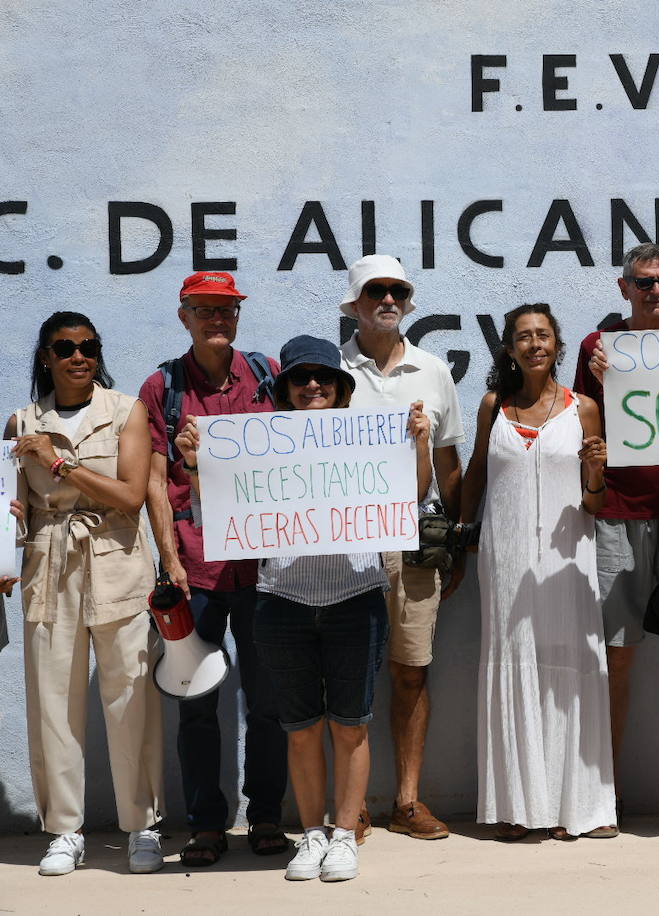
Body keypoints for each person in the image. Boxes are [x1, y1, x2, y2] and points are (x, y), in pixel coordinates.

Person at [175, 335, 426, 881]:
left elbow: (410, 497)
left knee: (350, 725)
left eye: (324, 377)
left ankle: (343, 835)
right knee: (301, 727)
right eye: (300, 377)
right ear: (284, 389)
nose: (313, 384)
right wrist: (197, 466)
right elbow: (215, 512)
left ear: (340, 388)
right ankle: (311, 834)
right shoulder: (258, 441)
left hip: (355, 597)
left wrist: (419, 446)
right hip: (282, 602)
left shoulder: (369, 438)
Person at [4, 311, 164, 875]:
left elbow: (130, 496)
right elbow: (13, 505)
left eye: (89, 346)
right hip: (49, 565)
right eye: (66, 347)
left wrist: (60, 462)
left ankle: (141, 825)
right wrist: (11, 537)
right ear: (45, 356)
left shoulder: (125, 411)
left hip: (116, 558)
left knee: (130, 698)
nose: (79, 356)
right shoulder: (22, 422)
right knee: (53, 702)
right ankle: (64, 829)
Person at [138, 271, 288, 865]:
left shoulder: (268, 375)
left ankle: (267, 816)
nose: (217, 320)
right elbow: (154, 481)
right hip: (195, 569)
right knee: (197, 702)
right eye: (205, 310)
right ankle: (204, 823)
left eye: (226, 310)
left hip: (261, 568)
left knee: (269, 700)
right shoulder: (162, 387)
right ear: (184, 317)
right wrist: (168, 561)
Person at [461, 303, 617, 841]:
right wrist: (462, 535)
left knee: (573, 670)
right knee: (513, 666)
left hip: (567, 561)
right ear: (509, 348)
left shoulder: (586, 409)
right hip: (504, 562)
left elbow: (594, 504)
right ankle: (516, 806)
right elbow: (477, 475)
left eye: (544, 335)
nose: (534, 344)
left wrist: (595, 474)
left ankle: (582, 807)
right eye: (524, 336)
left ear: (557, 344)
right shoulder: (492, 407)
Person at [573, 243, 659, 833]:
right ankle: (609, 790)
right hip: (620, 515)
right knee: (617, 657)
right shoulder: (596, 349)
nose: (657, 291)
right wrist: (601, 389)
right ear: (623, 288)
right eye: (646, 283)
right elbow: (584, 427)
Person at [339, 254, 464, 841]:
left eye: (397, 290)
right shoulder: (331, 371)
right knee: (348, 672)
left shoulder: (433, 371)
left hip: (414, 543)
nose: (387, 299)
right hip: (345, 548)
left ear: (408, 302)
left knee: (411, 670)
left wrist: (457, 540)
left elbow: (448, 464)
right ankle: (351, 806)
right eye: (375, 291)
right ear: (356, 304)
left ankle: (407, 802)